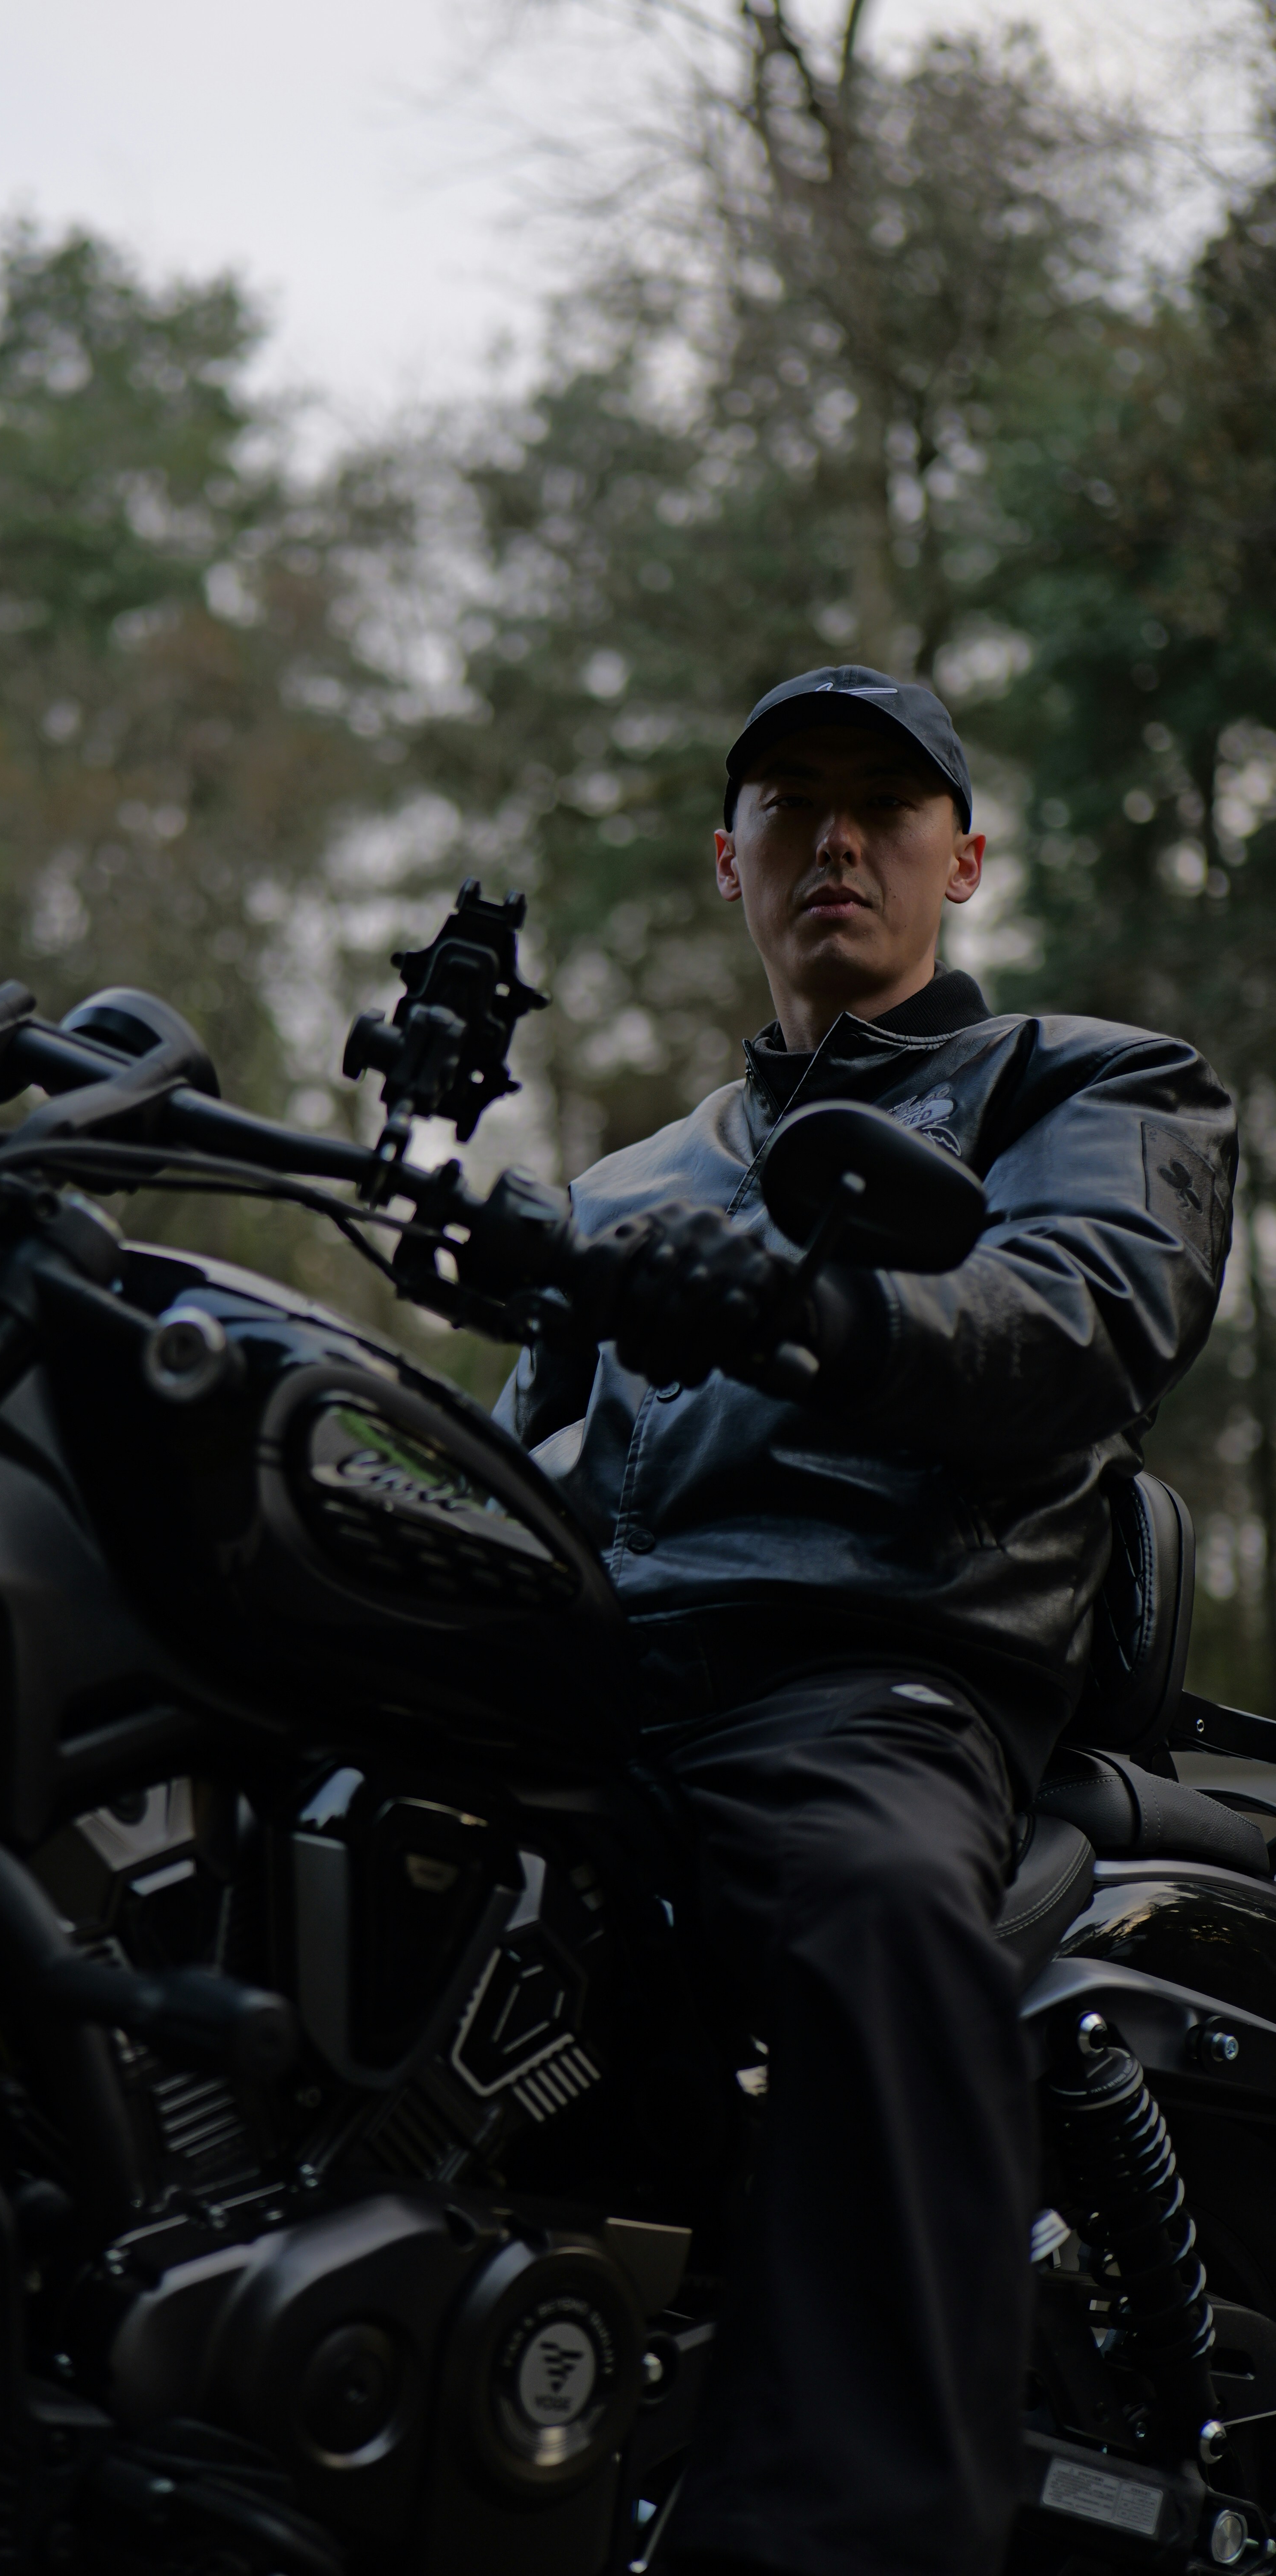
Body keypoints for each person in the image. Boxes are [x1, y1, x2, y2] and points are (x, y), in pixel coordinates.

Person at [494, 664, 1236, 2576]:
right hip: (596, 1698)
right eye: (792, 803)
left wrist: (816, 1309)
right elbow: (524, 1472)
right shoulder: (632, 1182)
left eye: (885, 807)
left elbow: (1073, 1318)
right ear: (724, 856)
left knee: (875, 1902)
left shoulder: (1086, 1086)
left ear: (961, 858)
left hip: (866, 1677)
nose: (837, 839)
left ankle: (860, 2530)